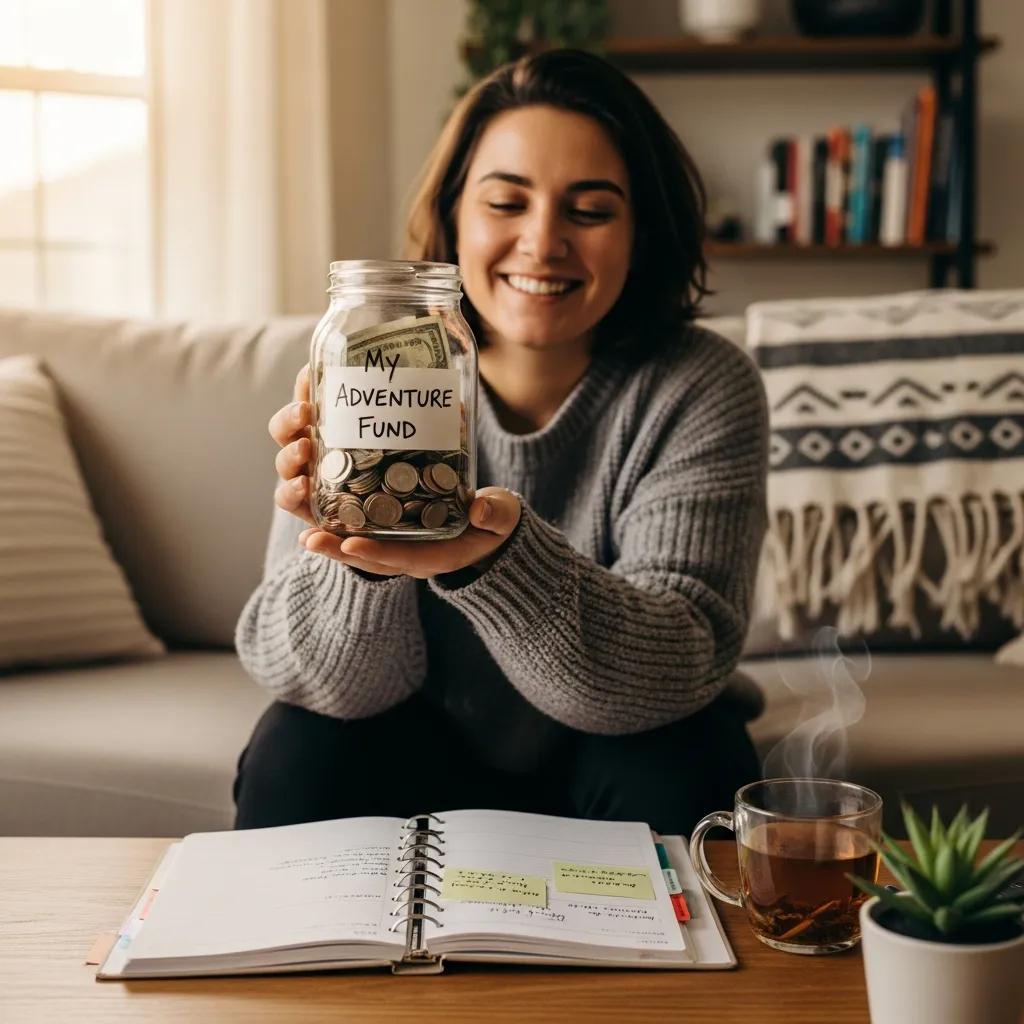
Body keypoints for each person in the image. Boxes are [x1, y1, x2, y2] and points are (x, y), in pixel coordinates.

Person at [232, 49, 767, 837]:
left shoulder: (699, 383)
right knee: (296, 749)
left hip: (619, 742)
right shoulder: (368, 358)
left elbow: (677, 664)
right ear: (453, 217)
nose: (543, 241)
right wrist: (359, 550)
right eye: (506, 203)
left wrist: (490, 556)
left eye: (590, 210)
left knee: (691, 754)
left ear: (642, 231)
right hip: (410, 735)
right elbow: (318, 681)